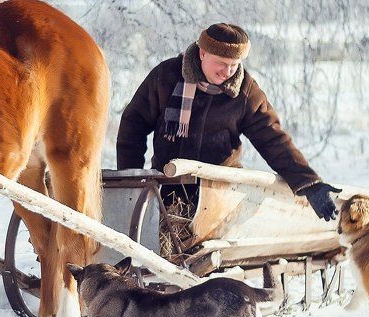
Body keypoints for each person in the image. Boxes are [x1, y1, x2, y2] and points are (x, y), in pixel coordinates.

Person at [115, 23, 339, 221]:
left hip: (219, 196)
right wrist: (130, 180)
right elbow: (132, 125)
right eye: (222, 63)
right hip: (167, 190)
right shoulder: (166, 76)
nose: (228, 71)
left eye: (234, 64)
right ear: (202, 53)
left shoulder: (245, 91)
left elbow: (272, 137)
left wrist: (309, 183)